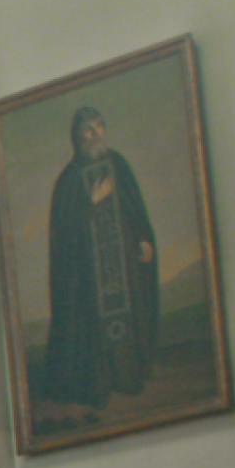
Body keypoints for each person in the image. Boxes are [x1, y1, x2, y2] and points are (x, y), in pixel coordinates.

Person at [41, 104, 159, 414]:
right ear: (77, 138)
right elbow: (65, 235)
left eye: (99, 127)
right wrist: (91, 201)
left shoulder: (117, 164)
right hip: (88, 273)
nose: (95, 136)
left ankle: (129, 377)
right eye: (88, 131)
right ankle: (100, 383)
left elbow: (134, 208)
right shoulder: (68, 180)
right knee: (97, 325)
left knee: (126, 316)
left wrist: (144, 238)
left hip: (123, 264)